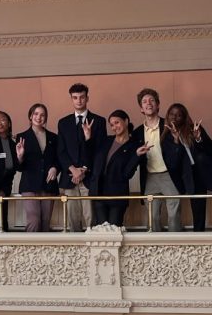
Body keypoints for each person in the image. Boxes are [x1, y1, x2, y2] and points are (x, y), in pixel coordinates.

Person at [133, 88, 191, 231]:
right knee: (152, 218)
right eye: (144, 102)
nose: (148, 103)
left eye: (152, 100)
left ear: (158, 105)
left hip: (169, 175)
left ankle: (175, 248)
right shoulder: (137, 132)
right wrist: (137, 154)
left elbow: (183, 155)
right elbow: (133, 158)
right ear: (141, 108)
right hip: (149, 176)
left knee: (173, 216)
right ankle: (154, 249)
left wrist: (177, 142)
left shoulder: (169, 126)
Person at [165, 103, 212, 232]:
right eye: (172, 114)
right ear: (168, 115)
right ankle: (198, 241)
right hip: (192, 176)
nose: (175, 117)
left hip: (210, 172)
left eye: (178, 115)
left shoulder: (194, 128)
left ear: (184, 117)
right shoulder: (166, 136)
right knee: (198, 212)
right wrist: (176, 141)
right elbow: (173, 163)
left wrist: (199, 138)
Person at [56, 82, 104, 232]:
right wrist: (73, 170)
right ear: (71, 99)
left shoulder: (99, 121)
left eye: (82, 97)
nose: (79, 100)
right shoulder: (63, 123)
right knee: (72, 219)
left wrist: (83, 169)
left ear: (87, 98)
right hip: (70, 177)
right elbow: (61, 151)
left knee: (91, 218)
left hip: (88, 177)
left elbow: (99, 151)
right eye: (75, 97)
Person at [87, 110, 144, 227]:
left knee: (114, 231)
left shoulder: (134, 146)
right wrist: (88, 138)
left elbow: (127, 174)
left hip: (117, 195)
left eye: (117, 122)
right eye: (112, 125)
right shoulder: (106, 141)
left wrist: (136, 156)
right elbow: (91, 157)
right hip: (99, 192)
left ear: (126, 121)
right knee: (101, 231)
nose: (114, 127)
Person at [15, 103, 60, 232]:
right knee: (34, 219)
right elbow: (19, 167)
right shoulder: (21, 137)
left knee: (46, 221)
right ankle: (30, 250)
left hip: (48, 183)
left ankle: (45, 251)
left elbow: (59, 159)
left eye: (42, 115)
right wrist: (20, 156)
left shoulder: (54, 137)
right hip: (29, 184)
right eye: (35, 114)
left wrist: (55, 168)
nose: (39, 117)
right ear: (30, 116)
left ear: (45, 118)